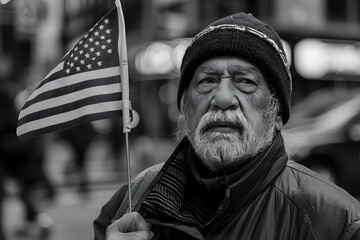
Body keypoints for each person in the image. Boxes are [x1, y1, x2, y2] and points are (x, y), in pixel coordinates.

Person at [94, 13, 360, 240]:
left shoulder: (336, 221)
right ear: (185, 108)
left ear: (277, 114)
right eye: (207, 81)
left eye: (245, 81)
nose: (222, 99)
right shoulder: (127, 208)